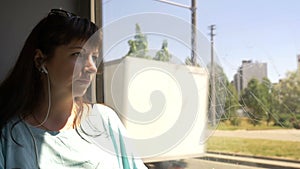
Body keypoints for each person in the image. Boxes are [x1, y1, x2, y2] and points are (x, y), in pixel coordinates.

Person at [0, 8, 147, 169]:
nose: (92, 67)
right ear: (40, 60)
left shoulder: (105, 121)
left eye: (94, 57)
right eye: (78, 55)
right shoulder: (8, 134)